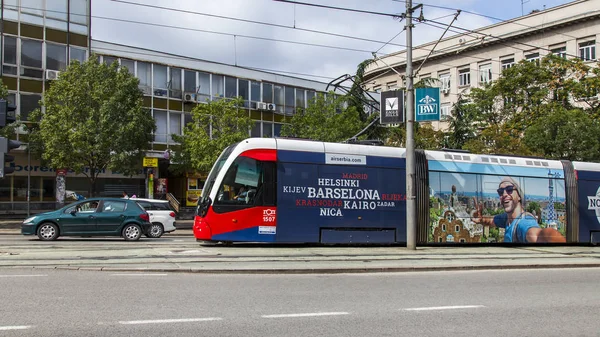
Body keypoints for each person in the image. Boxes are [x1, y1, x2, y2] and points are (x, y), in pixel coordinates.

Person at [472, 177, 566, 243]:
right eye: (500, 192)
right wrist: (481, 219)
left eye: (509, 190)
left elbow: (537, 235)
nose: (504, 194)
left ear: (519, 196)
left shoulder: (523, 223)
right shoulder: (507, 219)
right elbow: (491, 221)